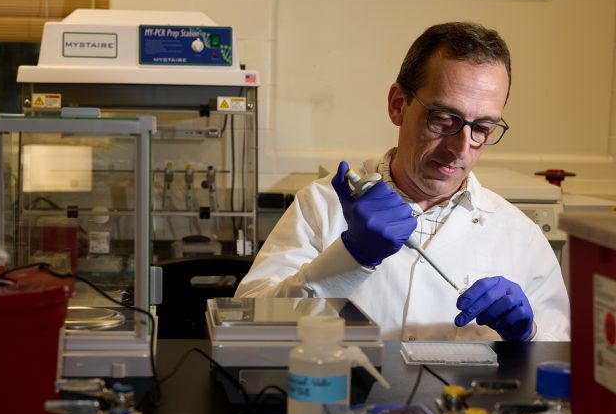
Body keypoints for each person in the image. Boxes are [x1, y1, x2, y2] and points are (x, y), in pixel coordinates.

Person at [236, 22, 570, 342]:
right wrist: (351, 257)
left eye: (482, 127)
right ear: (398, 105)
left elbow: (563, 363)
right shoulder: (321, 206)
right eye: (443, 119)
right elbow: (246, 324)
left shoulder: (520, 236)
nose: (461, 147)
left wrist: (530, 336)